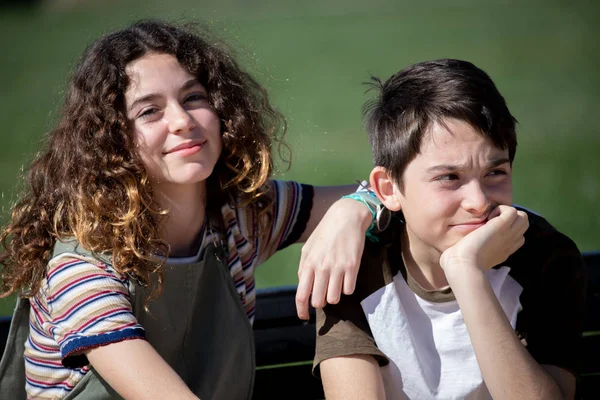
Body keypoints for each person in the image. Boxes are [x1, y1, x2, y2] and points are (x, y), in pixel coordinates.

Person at [0, 19, 377, 400]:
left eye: (194, 97)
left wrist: (353, 210)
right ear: (112, 140)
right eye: (149, 111)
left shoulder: (242, 216)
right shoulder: (82, 269)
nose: (182, 121)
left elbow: (396, 194)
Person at [313, 59, 587, 399]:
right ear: (388, 189)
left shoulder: (544, 257)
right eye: (449, 178)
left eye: (495, 173)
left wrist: (466, 273)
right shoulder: (353, 265)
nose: (478, 201)